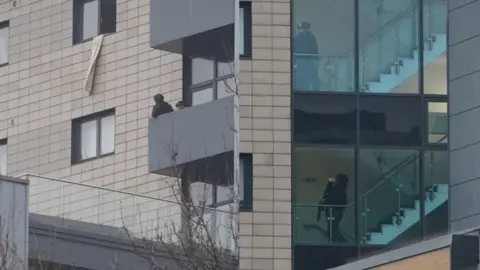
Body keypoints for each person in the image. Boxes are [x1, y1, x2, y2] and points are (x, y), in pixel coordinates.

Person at [317, 173, 348, 242]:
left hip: (335, 212)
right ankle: (335, 243)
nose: (333, 179)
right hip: (332, 211)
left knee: (333, 229)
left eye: (335, 178)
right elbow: (327, 194)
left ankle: (342, 243)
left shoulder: (340, 188)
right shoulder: (336, 188)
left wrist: (325, 201)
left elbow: (332, 198)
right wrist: (329, 184)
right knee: (331, 229)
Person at [294, 21, 321, 91]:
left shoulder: (297, 38)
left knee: (302, 78)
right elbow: (315, 50)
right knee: (312, 77)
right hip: (310, 62)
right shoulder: (312, 37)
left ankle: (303, 89)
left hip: (301, 62)